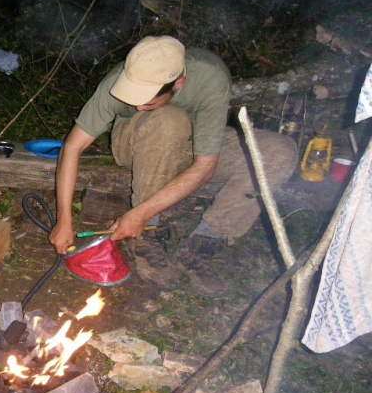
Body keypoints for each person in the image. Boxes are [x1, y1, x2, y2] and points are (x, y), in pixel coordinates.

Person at [50, 36, 297, 295]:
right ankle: (147, 235)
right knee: (168, 120)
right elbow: (73, 146)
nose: (137, 106)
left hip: (191, 140)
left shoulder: (210, 76)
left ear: (179, 84)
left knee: (278, 152)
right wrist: (64, 218)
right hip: (137, 142)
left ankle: (206, 238)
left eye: (148, 102)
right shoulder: (117, 81)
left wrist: (139, 214)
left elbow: (206, 166)